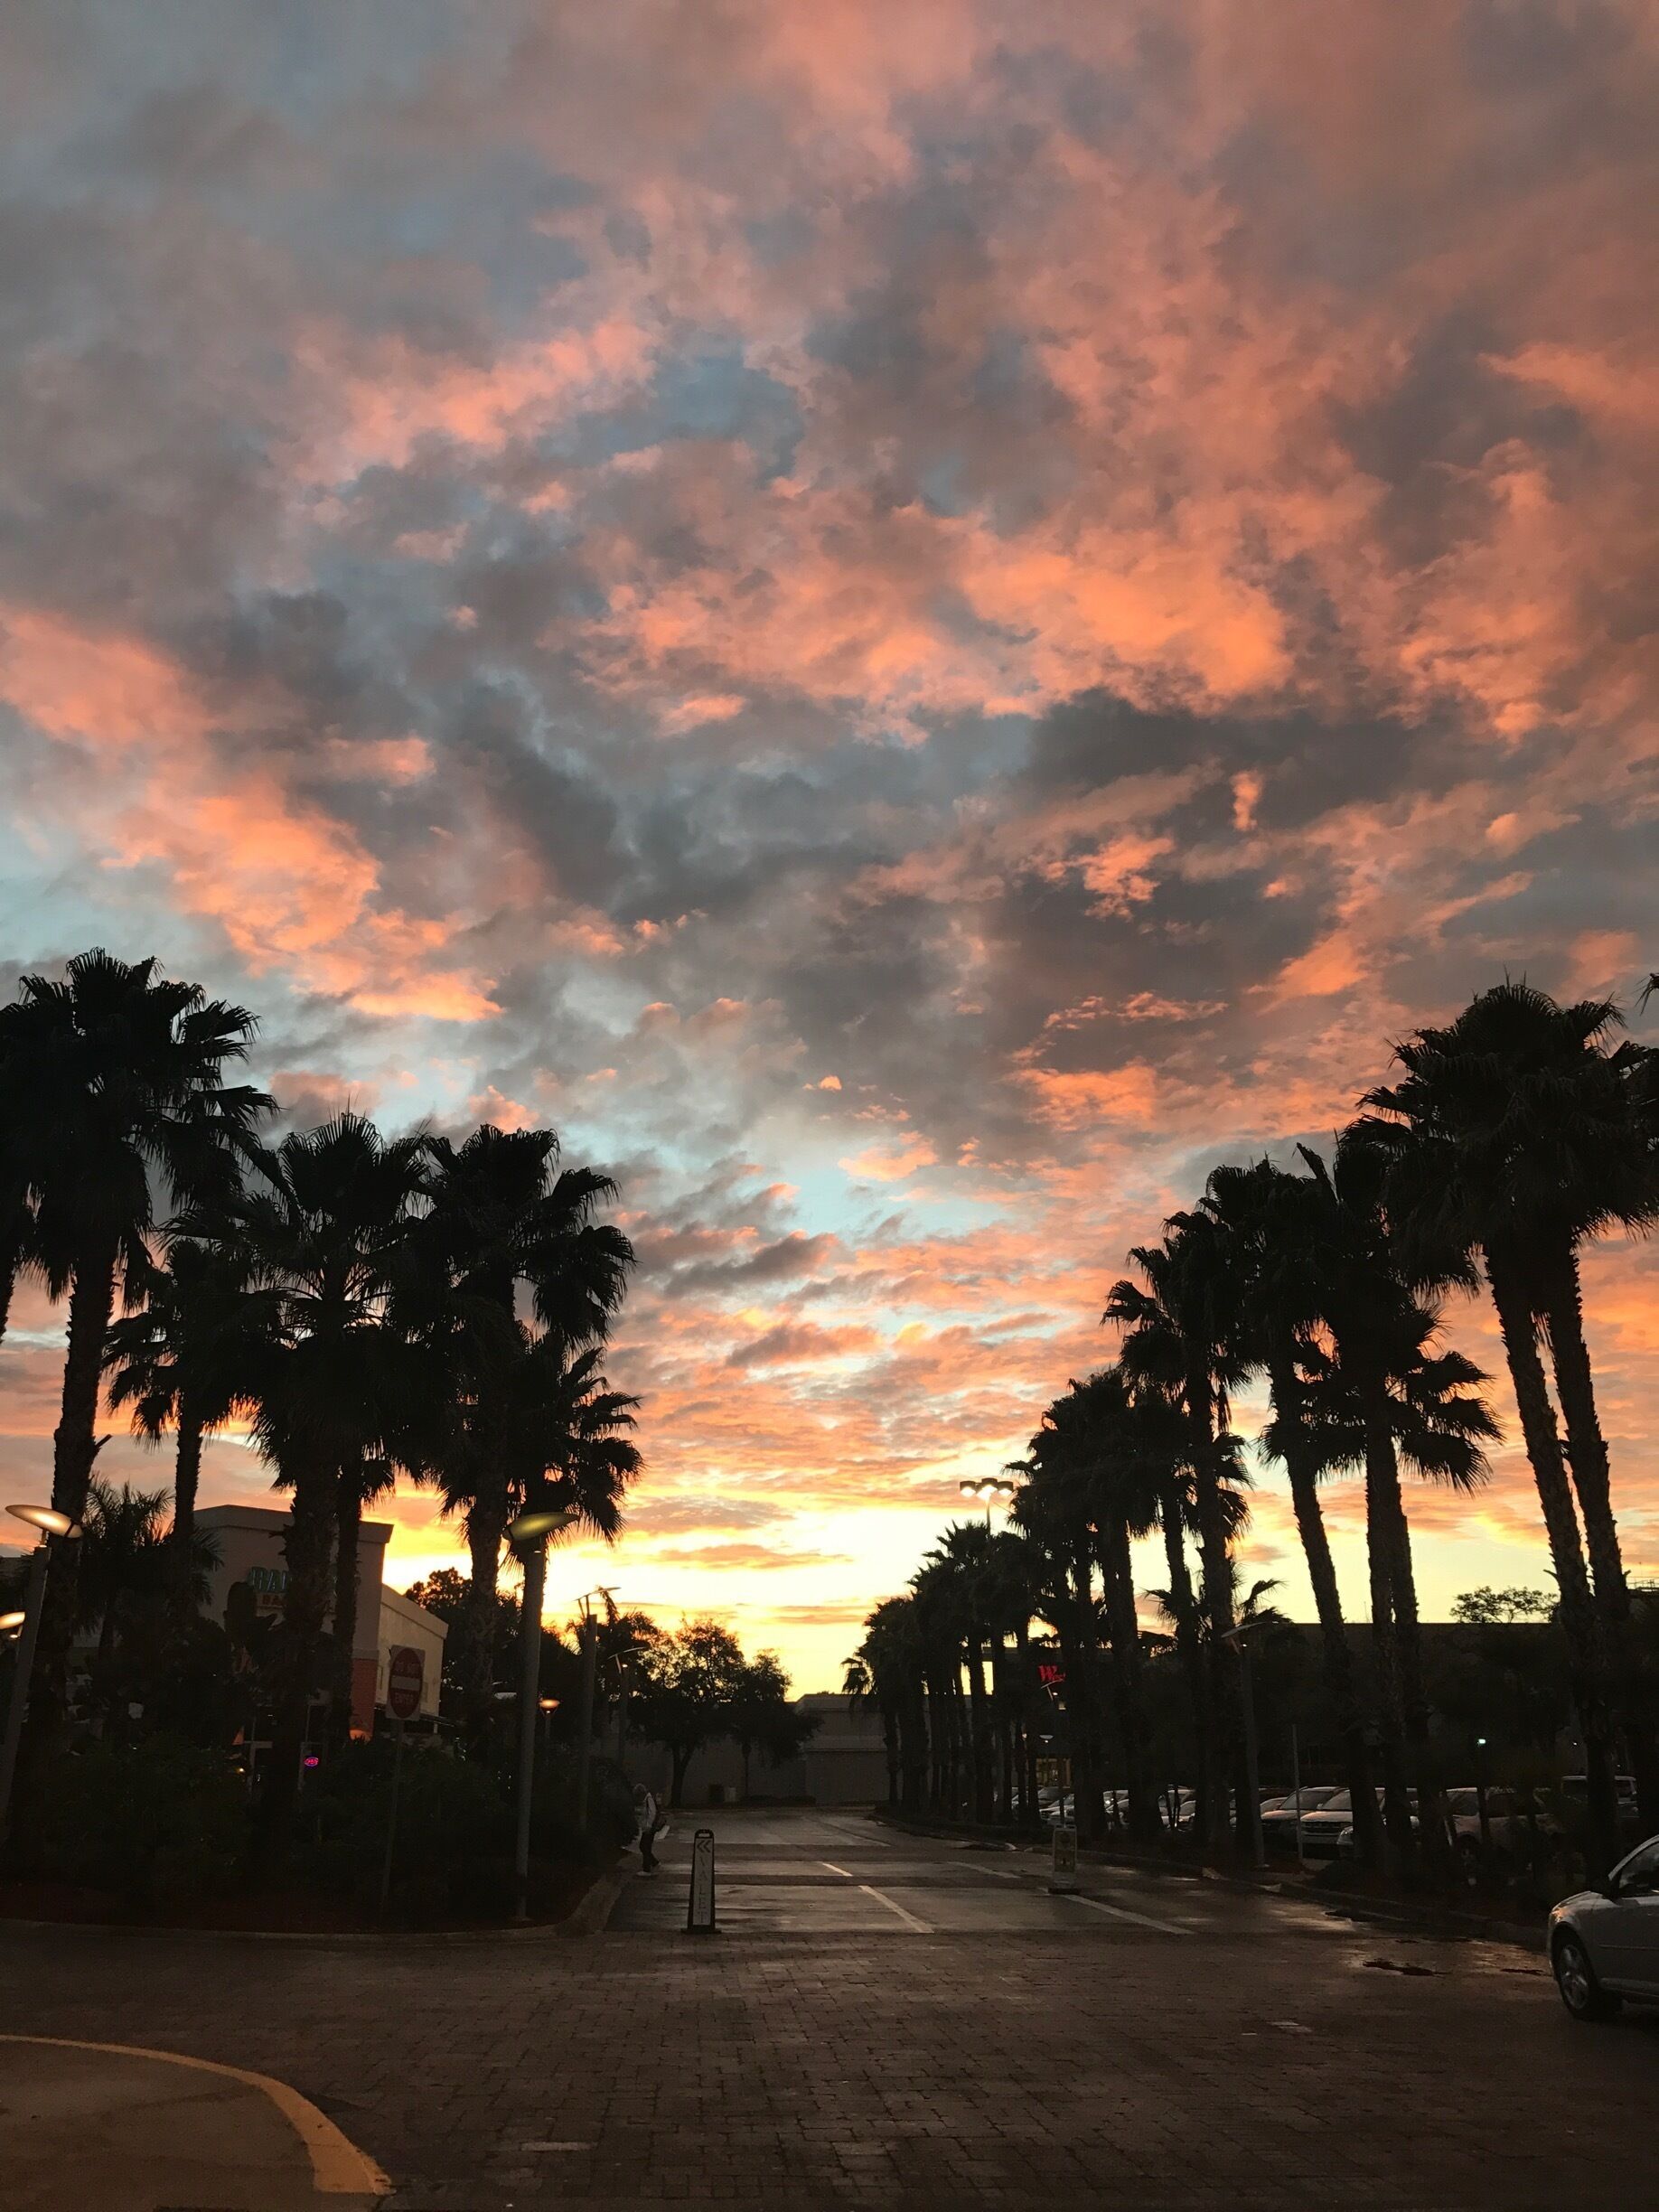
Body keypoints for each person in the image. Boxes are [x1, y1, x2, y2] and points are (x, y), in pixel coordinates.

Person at [633, 1783, 661, 1874]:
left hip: (649, 1827)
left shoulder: (649, 1799)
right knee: (645, 1846)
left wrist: (648, 1825)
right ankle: (654, 1863)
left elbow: (652, 1813)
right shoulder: (648, 1799)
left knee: (645, 1846)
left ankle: (647, 1868)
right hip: (649, 1827)